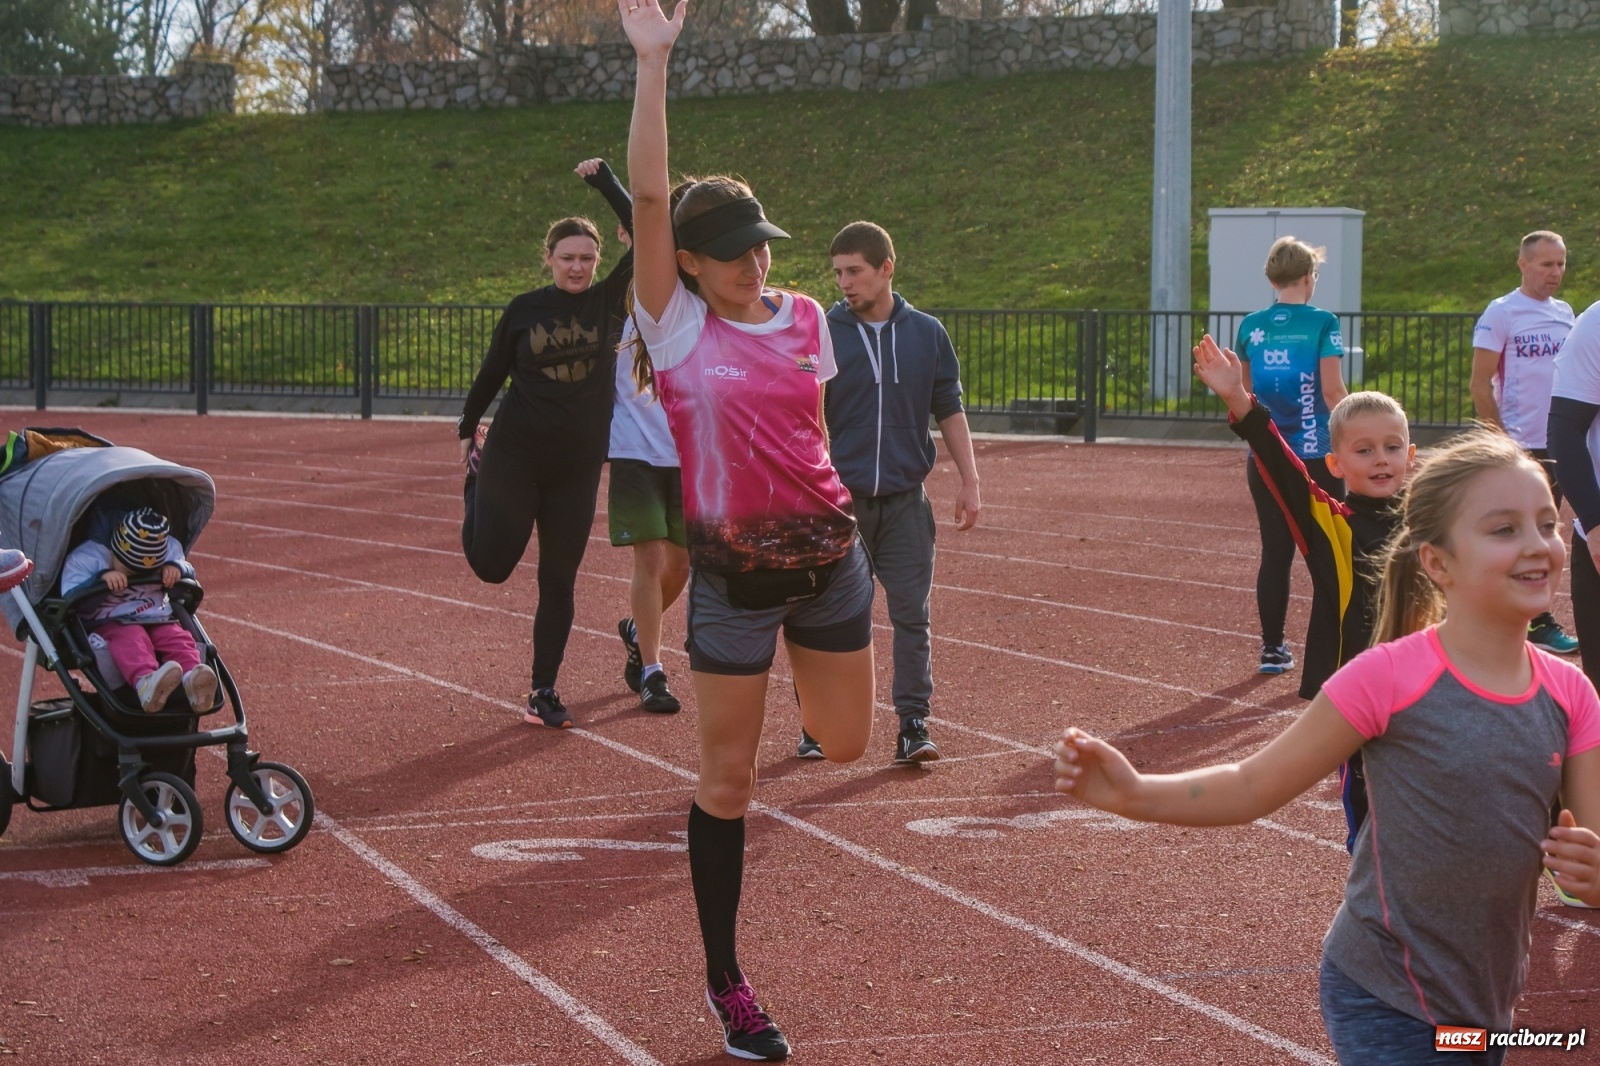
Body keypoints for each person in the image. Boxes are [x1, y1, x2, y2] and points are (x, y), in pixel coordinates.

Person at [1054, 429, 1600, 1064]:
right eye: (1503, 529)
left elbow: (1591, 848)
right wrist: (1135, 793)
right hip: (1385, 993)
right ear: (1437, 562)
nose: (1538, 546)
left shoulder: (1573, 695)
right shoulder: (1389, 677)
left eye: (1544, 524)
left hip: (1485, 1008)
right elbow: (1253, 783)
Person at [621, 0, 878, 1058]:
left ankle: (804, 682)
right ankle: (727, 982)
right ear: (683, 261)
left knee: (850, 743)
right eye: (728, 253)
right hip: (731, 579)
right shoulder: (672, 324)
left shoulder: (809, 318)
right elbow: (644, 193)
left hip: (830, 567)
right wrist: (653, 63)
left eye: (759, 249)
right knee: (727, 781)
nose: (752, 266)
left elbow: (809, 429)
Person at [1193, 335, 1414, 850]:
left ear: (1411, 455)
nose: (1381, 460)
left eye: (1392, 446)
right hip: (1357, 697)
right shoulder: (1330, 524)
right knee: (1371, 825)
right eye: (1363, 450)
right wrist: (1238, 399)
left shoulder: (1435, 523)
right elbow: (1282, 465)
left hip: (1428, 691)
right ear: (1335, 464)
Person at [793, 220, 980, 765]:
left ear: (886, 269)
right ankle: (816, 722)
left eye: (854, 271)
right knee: (817, 617)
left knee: (911, 614)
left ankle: (912, 723)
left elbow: (949, 406)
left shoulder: (927, 333)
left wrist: (970, 479)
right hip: (836, 502)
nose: (844, 283)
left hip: (903, 502)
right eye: (837, 273)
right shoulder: (823, 331)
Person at [457, 158, 633, 730]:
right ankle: (474, 488)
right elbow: (490, 373)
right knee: (491, 567)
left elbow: (654, 231)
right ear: (549, 260)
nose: (578, 266)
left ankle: (543, 689)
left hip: (577, 467)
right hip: (514, 456)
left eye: (586, 258)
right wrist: (468, 428)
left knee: (559, 579)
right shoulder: (525, 309)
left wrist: (607, 181)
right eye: (568, 258)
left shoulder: (609, 301)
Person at [1233, 236, 1348, 674]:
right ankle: (1335, 647)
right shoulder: (1322, 323)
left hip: (1267, 455)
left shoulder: (1250, 327)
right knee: (1328, 550)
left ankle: (1272, 649)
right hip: (1317, 454)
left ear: (1270, 278)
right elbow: (1332, 391)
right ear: (1308, 277)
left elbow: (1245, 397)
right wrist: (1363, 431)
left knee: (1275, 552)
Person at [1472, 229, 1579, 655]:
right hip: (1522, 446)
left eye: (1561, 264)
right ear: (1523, 263)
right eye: (1547, 264)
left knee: (1553, 532)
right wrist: (1503, 444)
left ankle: (1526, 616)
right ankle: (1534, 621)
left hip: (1562, 441)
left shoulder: (1566, 313)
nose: (1556, 272)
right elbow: (1480, 384)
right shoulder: (1502, 313)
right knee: (1524, 534)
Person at [61, 508, 218, 713]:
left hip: (156, 614)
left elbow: (185, 564)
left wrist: (176, 568)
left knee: (177, 636)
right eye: (129, 570)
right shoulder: (89, 557)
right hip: (112, 619)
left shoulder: (166, 547)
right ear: (115, 551)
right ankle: (145, 681)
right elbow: (70, 594)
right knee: (132, 638)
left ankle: (193, 677)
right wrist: (99, 580)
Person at [610, 309, 689, 715]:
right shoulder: (621, 308)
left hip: (689, 453)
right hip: (635, 451)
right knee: (651, 556)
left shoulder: (703, 304)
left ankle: (638, 632)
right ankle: (653, 672)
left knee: (681, 565)